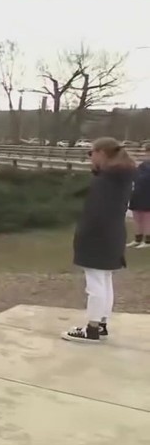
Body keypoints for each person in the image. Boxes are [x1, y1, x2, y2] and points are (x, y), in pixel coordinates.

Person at [64, 137, 137, 343]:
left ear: (101, 153)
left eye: (91, 153)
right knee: (104, 280)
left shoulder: (106, 180)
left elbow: (97, 211)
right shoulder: (118, 177)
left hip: (98, 235)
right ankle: (101, 323)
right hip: (113, 233)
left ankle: (92, 328)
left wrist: (84, 236)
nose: (89, 157)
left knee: (95, 283)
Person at [125, 152, 150, 248]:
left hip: (147, 194)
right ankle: (137, 239)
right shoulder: (142, 165)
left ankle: (148, 241)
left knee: (147, 218)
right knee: (137, 217)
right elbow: (134, 176)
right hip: (137, 194)